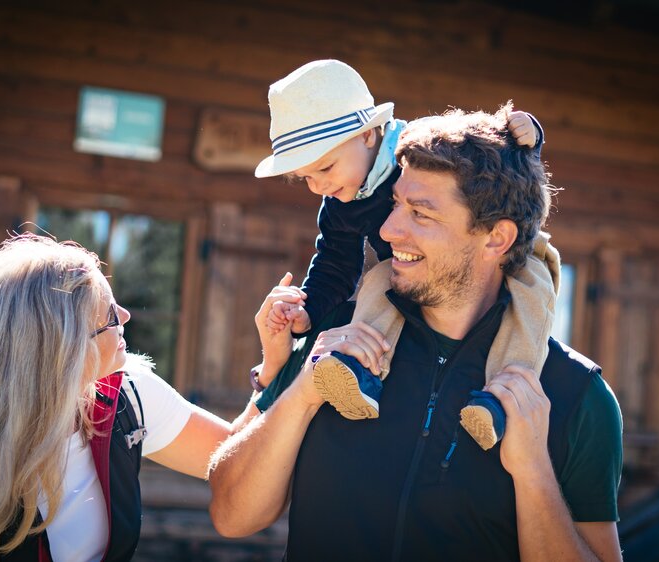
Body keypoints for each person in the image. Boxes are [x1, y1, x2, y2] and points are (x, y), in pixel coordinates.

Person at [209, 105, 623, 561]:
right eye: (394, 205)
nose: (387, 231)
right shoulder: (336, 344)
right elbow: (231, 516)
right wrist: (301, 392)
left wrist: (532, 473)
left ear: (496, 239)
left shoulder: (579, 396)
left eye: (421, 214)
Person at [255, 59, 559, 451]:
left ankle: (502, 398)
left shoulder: (420, 150)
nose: (318, 186)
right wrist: (308, 311)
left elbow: (492, 155)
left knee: (533, 295)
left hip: (502, 241)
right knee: (378, 282)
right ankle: (359, 371)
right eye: (306, 178)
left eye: (325, 168)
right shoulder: (340, 204)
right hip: (411, 268)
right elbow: (335, 263)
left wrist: (528, 132)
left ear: (368, 136)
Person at [0, 234, 260, 562]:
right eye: (110, 315)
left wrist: (272, 372)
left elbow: (237, 457)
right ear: (63, 350)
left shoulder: (129, 394)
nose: (125, 317)